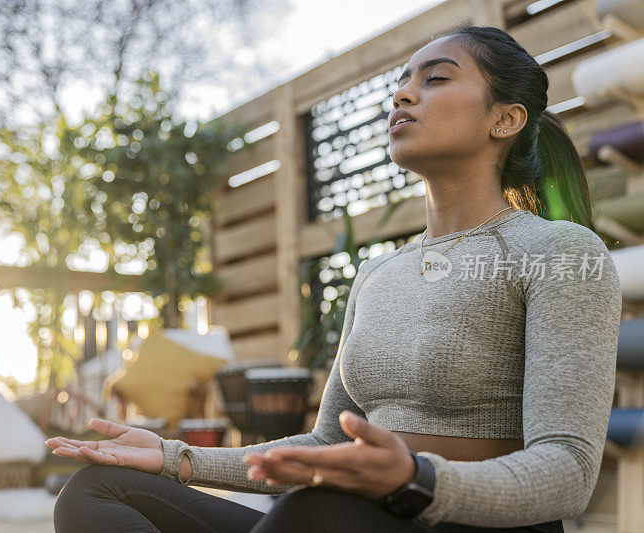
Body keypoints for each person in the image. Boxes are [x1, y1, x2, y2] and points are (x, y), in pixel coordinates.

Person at [46, 25, 622, 532]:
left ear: (506, 118)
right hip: (353, 519)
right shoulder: (376, 275)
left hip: (475, 523)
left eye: (437, 79)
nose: (401, 94)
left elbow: (567, 468)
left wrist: (413, 479)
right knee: (99, 491)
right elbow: (326, 447)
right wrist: (176, 459)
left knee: (317, 513)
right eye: (401, 82)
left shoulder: (558, 253)